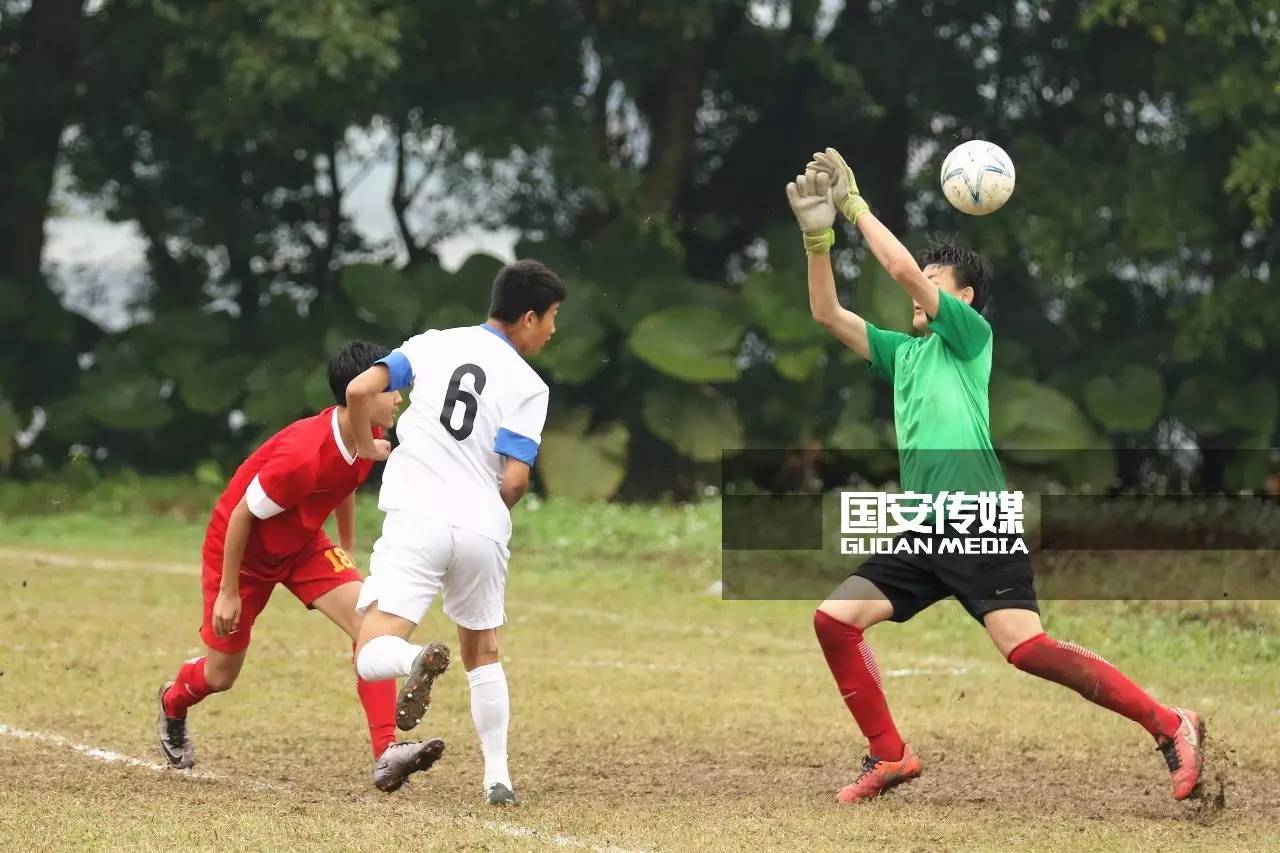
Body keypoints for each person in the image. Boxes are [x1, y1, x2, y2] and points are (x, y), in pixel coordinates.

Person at [788, 149, 1205, 803]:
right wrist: (818, 239)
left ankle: (1170, 723)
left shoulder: (968, 337)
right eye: (923, 277)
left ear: (963, 297)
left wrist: (854, 205)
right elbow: (827, 314)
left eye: (934, 279)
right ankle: (889, 754)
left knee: (1026, 648)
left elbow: (897, 267)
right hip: (925, 529)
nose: (918, 286)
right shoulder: (905, 354)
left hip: (976, 518)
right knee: (833, 621)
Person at [155, 341, 444, 793]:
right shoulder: (302, 457)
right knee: (220, 676)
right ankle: (173, 700)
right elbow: (241, 516)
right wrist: (229, 591)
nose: (399, 398)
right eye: (391, 389)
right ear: (362, 394)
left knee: (371, 626)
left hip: (304, 545)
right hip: (245, 554)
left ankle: (387, 752)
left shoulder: (365, 442)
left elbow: (342, 484)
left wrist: (346, 548)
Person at [346, 259, 564, 807]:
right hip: (482, 529)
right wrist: (487, 505)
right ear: (529, 317)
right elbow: (514, 479)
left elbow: (356, 390)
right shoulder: (530, 386)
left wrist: (363, 446)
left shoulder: (433, 343)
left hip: (417, 516)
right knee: (484, 652)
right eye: (553, 319)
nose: (553, 331)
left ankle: (412, 661)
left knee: (372, 650)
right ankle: (497, 779)